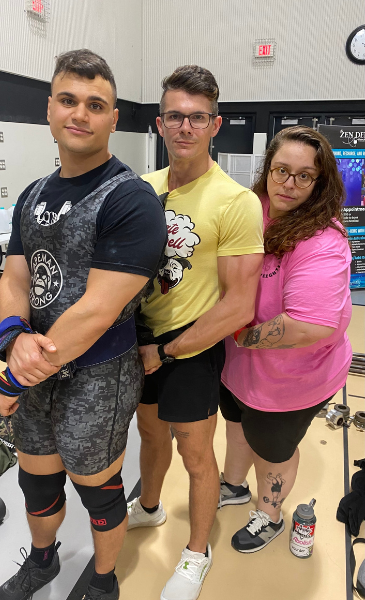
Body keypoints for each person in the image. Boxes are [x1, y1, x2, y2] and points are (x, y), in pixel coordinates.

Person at [0, 49, 166, 600]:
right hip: (36, 365)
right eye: (69, 100)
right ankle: (42, 562)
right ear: (49, 109)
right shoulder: (33, 195)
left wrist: (15, 377)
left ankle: (105, 581)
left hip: (97, 376)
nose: (80, 114)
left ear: (114, 118)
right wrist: (12, 337)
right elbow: (15, 278)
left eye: (96, 104)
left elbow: (97, 309)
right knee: (36, 480)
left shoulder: (131, 199)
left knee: (99, 488)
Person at [129, 65, 263, 600]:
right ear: (159, 124)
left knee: (195, 452)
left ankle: (196, 553)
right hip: (143, 339)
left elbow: (239, 304)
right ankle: (150, 506)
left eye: (197, 118)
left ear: (216, 124)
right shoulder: (141, 190)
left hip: (193, 342)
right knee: (150, 434)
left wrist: (169, 349)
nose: (185, 127)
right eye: (175, 117)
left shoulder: (235, 201)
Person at [217, 126, 352, 552]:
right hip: (241, 368)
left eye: (303, 176)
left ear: (320, 182)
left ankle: (271, 514)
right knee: (237, 426)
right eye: (280, 171)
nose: (288, 185)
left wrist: (237, 332)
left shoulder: (322, 242)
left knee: (272, 451)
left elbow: (308, 326)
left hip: (290, 381)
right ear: (267, 170)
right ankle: (234, 486)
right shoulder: (254, 208)